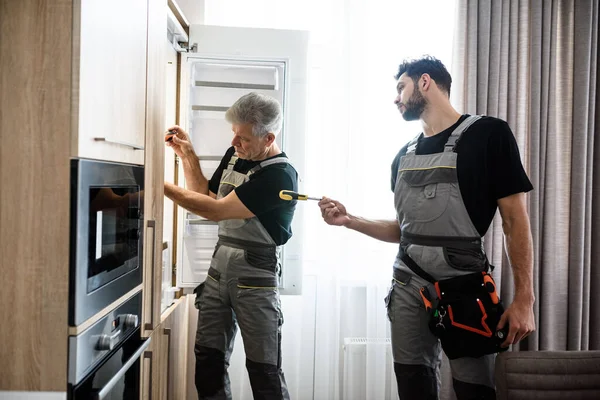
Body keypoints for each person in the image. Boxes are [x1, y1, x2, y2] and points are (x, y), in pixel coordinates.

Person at [318, 56, 535, 399]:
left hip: (464, 286)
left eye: (400, 87)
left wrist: (525, 298)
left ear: (424, 82)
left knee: (474, 387)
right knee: (412, 384)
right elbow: (405, 231)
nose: (396, 98)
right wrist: (350, 221)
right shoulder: (403, 156)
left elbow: (514, 221)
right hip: (407, 285)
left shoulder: (489, 135)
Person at [164, 92, 298, 399]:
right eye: (234, 135)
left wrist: (157, 183)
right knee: (208, 362)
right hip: (219, 268)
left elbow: (215, 211)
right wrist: (187, 155)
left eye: (243, 138)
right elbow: (206, 196)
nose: (235, 143)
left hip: (256, 275)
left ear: (269, 138)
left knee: (265, 372)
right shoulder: (237, 154)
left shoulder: (280, 177)